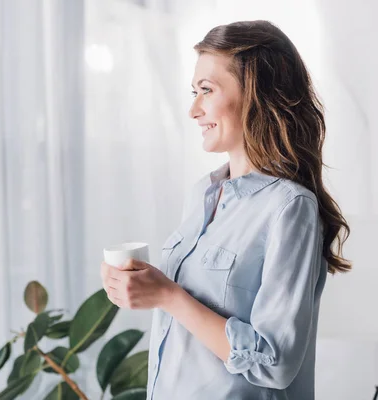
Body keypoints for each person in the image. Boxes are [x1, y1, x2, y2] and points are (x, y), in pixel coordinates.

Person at [100, 20, 351, 399]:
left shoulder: (290, 207)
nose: (193, 109)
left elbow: (275, 362)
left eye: (206, 90)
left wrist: (169, 296)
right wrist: (140, 288)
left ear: (255, 94)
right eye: (193, 91)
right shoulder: (202, 194)